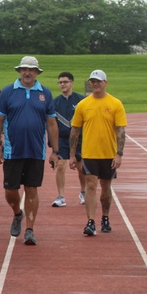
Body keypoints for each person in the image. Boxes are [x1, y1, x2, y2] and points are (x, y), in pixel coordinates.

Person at [0, 56, 59, 246]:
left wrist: (55, 150)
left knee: (31, 189)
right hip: (13, 151)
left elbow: (52, 123)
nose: (27, 73)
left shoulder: (45, 93)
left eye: (31, 70)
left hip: (36, 151)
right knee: (10, 190)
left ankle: (30, 229)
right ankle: (17, 213)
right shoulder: (8, 92)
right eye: (24, 69)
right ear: (19, 71)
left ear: (37, 72)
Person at [68, 70, 127, 237]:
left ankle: (105, 217)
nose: (95, 84)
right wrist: (72, 155)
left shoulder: (115, 104)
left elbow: (121, 130)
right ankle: (90, 221)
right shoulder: (83, 104)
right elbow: (75, 130)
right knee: (91, 186)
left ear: (105, 83)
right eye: (92, 81)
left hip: (108, 153)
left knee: (106, 188)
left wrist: (119, 154)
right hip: (89, 153)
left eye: (98, 81)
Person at [51, 71, 86, 208]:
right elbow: (51, 123)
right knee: (60, 166)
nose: (62, 84)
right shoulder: (55, 102)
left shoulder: (81, 100)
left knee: (81, 167)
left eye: (65, 82)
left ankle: (83, 192)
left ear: (72, 83)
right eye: (60, 82)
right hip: (62, 139)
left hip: (79, 139)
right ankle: (61, 196)